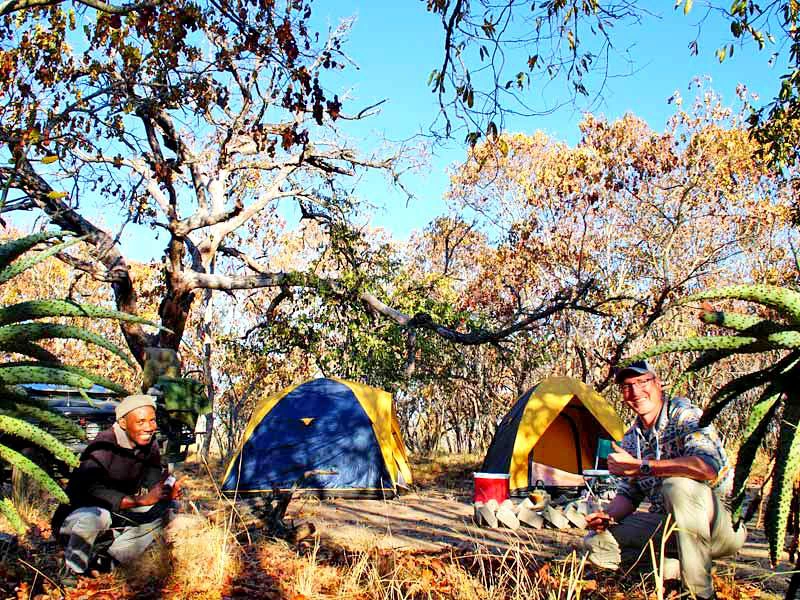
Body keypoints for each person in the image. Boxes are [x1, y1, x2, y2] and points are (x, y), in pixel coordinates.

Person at [583, 360, 746, 599]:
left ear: (658, 384)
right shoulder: (631, 438)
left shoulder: (684, 415)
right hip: (671, 527)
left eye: (642, 382)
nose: (635, 392)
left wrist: (644, 466)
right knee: (596, 542)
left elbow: (707, 468)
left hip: (720, 527)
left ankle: (699, 592)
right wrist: (607, 516)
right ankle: (672, 570)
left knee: (677, 486)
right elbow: (629, 495)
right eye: (627, 386)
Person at [52, 394, 180, 577]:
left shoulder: (148, 443)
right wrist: (141, 501)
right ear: (123, 423)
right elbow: (92, 491)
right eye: (141, 421)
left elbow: (153, 483)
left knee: (169, 508)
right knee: (97, 516)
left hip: (117, 515)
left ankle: (109, 559)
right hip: (78, 519)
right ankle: (72, 569)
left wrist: (166, 490)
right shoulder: (103, 445)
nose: (150, 427)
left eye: (152, 420)